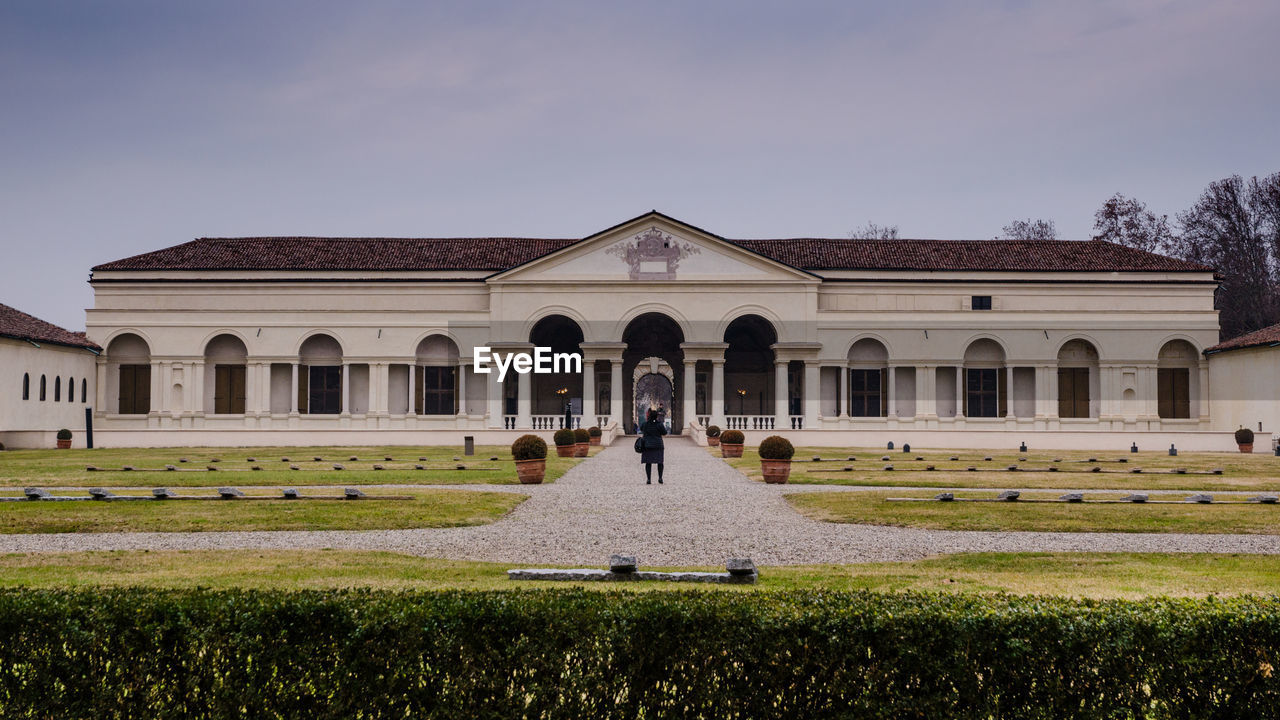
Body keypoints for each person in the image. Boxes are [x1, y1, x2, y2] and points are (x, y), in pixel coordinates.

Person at [638, 407, 667, 484]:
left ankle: (648, 479)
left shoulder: (645, 424)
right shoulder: (659, 424)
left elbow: (641, 429)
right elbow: (664, 433)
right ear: (656, 416)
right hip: (658, 445)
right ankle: (660, 478)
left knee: (648, 463)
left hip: (647, 445)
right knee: (660, 462)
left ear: (649, 416)